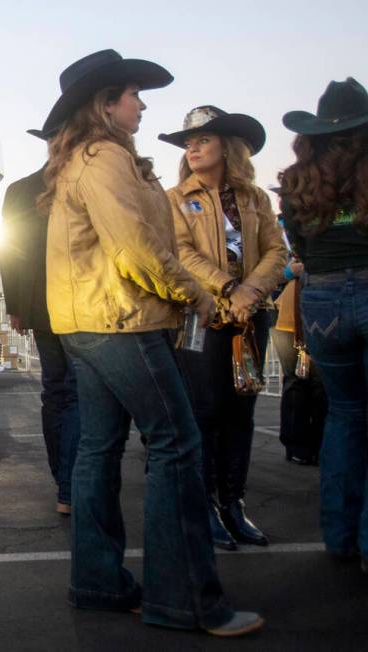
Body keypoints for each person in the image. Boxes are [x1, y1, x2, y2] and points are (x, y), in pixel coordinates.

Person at [41, 49, 262, 635]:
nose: (142, 103)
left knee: (98, 449)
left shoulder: (90, 159)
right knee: (178, 447)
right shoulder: (105, 158)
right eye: (134, 94)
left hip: (88, 322)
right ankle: (185, 599)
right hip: (123, 322)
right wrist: (198, 296)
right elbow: (136, 250)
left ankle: (98, 583)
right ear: (106, 103)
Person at [159, 106, 286, 550]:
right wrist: (228, 287)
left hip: (252, 317)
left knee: (242, 412)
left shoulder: (255, 198)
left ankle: (234, 504)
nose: (192, 149)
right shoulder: (175, 199)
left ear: (227, 147)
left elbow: (277, 251)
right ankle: (206, 507)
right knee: (204, 412)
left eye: (202, 141)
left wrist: (251, 292)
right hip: (202, 316)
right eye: (189, 143)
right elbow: (180, 253)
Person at [278, 77, 368, 573]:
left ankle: (339, 536)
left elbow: (303, 253)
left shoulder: (296, 183)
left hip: (323, 297)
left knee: (345, 415)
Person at [0, 150, 80, 515]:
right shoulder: (83, 182)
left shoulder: (20, 188)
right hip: (81, 303)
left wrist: (16, 305)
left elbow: (8, 252)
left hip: (42, 306)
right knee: (76, 393)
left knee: (57, 391)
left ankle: (64, 484)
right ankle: (71, 484)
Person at [271, 255, 326, 465]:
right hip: (288, 320)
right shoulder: (283, 239)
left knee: (320, 386)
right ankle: (296, 445)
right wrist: (288, 272)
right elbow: (267, 275)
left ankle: (319, 445)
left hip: (321, 317)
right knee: (295, 382)